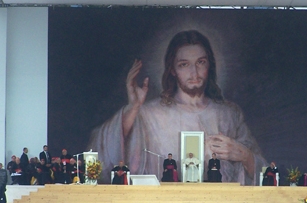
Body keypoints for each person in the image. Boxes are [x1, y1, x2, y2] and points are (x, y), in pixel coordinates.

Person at [87, 30, 267, 184]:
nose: (194, 73)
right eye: (184, 65)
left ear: (209, 64)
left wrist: (245, 156)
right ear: (172, 69)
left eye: (201, 62)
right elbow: (98, 156)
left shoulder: (229, 114)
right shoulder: (149, 114)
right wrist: (133, 108)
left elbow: (263, 171)